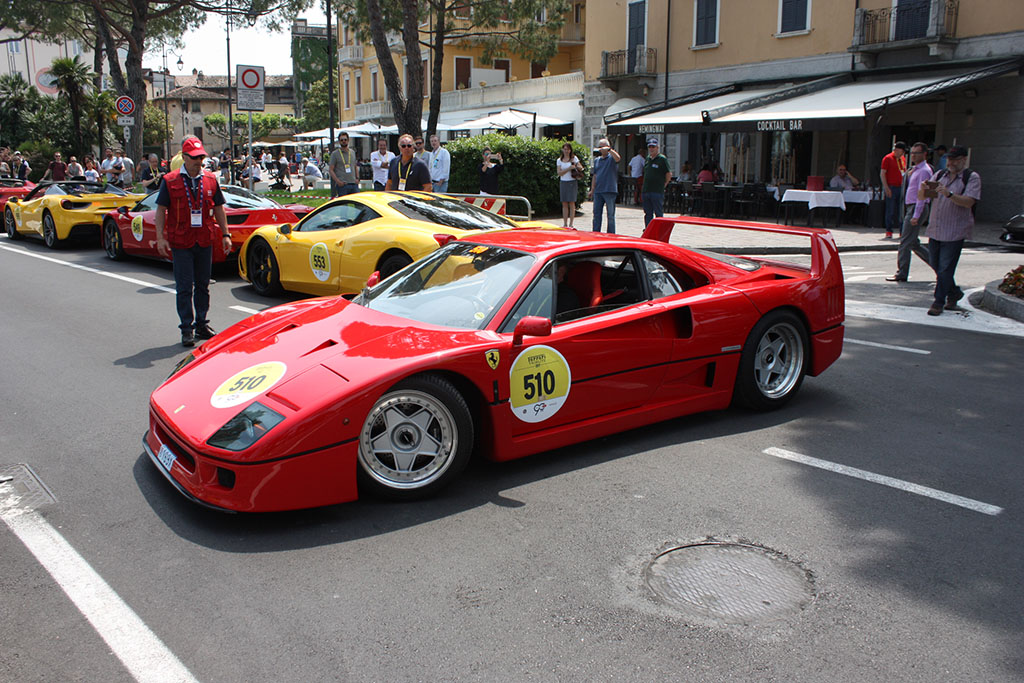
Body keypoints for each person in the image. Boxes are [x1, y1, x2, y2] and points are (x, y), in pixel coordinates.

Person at [154, 136, 232, 347]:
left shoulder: (210, 179)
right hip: (181, 242)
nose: (199, 162)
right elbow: (161, 210)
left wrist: (226, 234)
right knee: (185, 287)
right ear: (185, 157)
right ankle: (186, 328)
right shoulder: (170, 180)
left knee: (203, 285)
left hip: (204, 239)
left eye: (201, 158)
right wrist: (160, 237)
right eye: (195, 158)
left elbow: (218, 209)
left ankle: (201, 324)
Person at [918, 145, 980, 316]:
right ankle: (954, 293)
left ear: (963, 160)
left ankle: (938, 302)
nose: (950, 163)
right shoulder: (939, 175)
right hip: (936, 229)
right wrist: (923, 188)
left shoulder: (971, 178)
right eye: (949, 159)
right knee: (938, 267)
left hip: (954, 231)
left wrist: (949, 194)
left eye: (954, 159)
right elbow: (923, 197)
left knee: (946, 269)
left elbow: (969, 202)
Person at [887, 142, 933, 283]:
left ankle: (902, 272)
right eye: (912, 153)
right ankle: (939, 266)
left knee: (905, 241)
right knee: (913, 243)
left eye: (916, 153)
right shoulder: (913, 169)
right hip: (910, 206)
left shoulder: (925, 170)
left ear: (924, 154)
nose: (913, 155)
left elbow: (924, 195)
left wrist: (916, 215)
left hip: (916, 207)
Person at [589, 137, 620, 233]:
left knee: (610, 215)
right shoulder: (597, 160)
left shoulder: (611, 158)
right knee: (596, 214)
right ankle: (596, 232)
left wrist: (609, 150)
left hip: (610, 190)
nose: (601, 149)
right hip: (598, 190)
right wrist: (592, 189)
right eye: (600, 147)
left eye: (603, 147)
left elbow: (618, 158)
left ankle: (611, 234)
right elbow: (595, 175)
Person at [880, 141, 907, 239]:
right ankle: (889, 230)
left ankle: (901, 231)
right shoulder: (887, 158)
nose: (896, 151)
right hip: (891, 186)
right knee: (890, 210)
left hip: (901, 186)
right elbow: (883, 173)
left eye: (898, 150)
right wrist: (886, 187)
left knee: (901, 210)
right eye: (895, 149)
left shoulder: (903, 159)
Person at [642, 138, 672, 227]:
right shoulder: (647, 159)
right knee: (647, 213)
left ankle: (659, 229)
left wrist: (665, 184)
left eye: (653, 147)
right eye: (650, 147)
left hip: (657, 190)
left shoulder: (662, 159)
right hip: (646, 190)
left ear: (657, 147)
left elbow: (668, 173)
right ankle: (648, 228)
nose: (651, 149)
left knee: (658, 212)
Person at [555, 143, 581, 227]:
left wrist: (577, 166)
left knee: (572, 203)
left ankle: (571, 224)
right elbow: (559, 173)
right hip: (563, 182)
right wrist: (568, 168)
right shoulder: (559, 160)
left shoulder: (574, 158)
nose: (566, 151)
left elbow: (580, 167)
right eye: (565, 149)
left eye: (568, 149)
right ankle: (565, 223)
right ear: (562, 150)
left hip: (572, 182)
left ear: (570, 150)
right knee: (564, 203)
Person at [328, 133, 359, 197]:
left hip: (353, 183)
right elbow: (331, 170)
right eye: (341, 140)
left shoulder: (352, 152)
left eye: (345, 139)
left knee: (358, 205)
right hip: (343, 184)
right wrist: (338, 181)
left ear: (348, 140)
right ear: (339, 141)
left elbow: (355, 166)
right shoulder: (335, 154)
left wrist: (357, 178)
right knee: (344, 206)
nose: (343, 141)